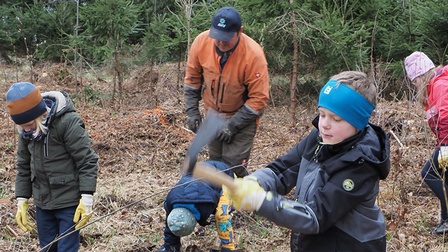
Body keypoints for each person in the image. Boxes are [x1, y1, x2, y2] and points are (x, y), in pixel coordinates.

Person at [227, 71, 390, 251]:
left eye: (336, 118)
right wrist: (254, 182)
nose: (325, 124)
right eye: (322, 114)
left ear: (358, 123)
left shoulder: (361, 165)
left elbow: (315, 217)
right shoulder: (320, 138)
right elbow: (282, 170)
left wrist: (260, 201)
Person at [6, 82, 98, 252]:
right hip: (43, 204)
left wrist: (87, 198)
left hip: (69, 203)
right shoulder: (26, 133)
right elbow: (23, 166)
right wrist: (22, 199)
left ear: (40, 114)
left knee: (66, 249)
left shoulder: (67, 123)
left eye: (30, 124)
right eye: (22, 126)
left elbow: (87, 161)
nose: (26, 129)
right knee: (47, 248)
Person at [183, 6, 270, 177]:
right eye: (217, 38)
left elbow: (259, 99)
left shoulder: (253, 55)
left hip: (242, 117)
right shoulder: (201, 42)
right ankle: (215, 200)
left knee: (233, 168)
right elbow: (192, 80)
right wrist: (192, 112)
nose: (221, 43)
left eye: (226, 39)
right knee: (215, 162)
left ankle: (236, 200)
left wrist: (233, 125)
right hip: (213, 115)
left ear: (240, 32)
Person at [404, 51, 448, 234]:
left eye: (415, 80)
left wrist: (444, 147)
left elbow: (445, 115)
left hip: (447, 143)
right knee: (446, 180)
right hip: (445, 142)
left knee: (428, 173)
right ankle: (445, 222)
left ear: (422, 74)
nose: (414, 84)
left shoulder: (440, 85)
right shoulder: (433, 87)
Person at [156, 160, 236, 252]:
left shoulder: (206, 203)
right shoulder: (171, 202)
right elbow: (170, 225)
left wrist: (206, 220)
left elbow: (217, 202)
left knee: (221, 215)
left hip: (225, 176)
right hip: (199, 173)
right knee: (175, 222)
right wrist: (170, 246)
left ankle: (228, 247)